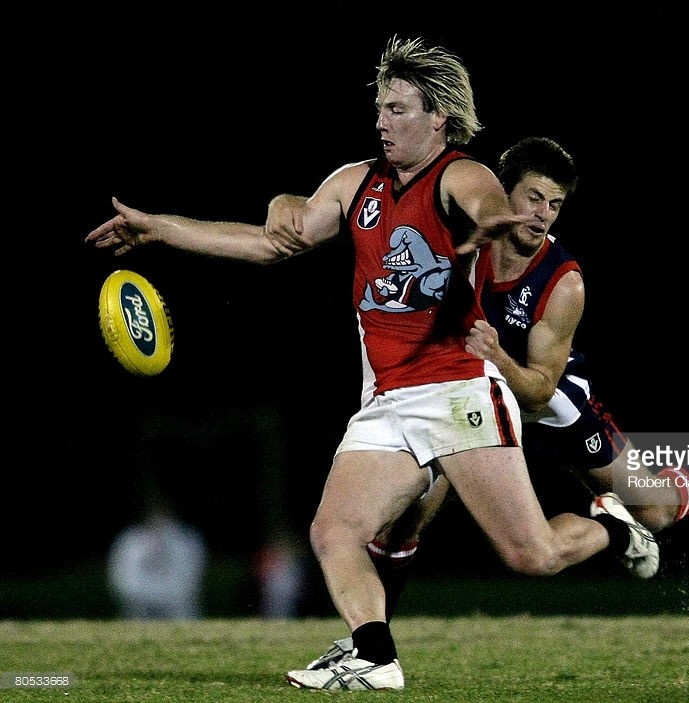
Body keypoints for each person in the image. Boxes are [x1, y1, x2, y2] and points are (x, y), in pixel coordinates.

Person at [86, 36, 658, 692]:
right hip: (389, 399)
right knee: (334, 530)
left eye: (398, 108)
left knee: (531, 554)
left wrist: (490, 228)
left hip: (458, 390)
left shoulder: (462, 175)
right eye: (380, 108)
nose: (382, 120)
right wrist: (159, 227)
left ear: (438, 117)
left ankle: (612, 527)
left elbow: (490, 210)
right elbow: (270, 243)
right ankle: (374, 655)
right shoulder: (356, 183)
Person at [270, 137, 689, 665]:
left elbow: (543, 384)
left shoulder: (563, 280)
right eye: (532, 199)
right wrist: (281, 205)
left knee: (654, 511)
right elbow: (327, 217)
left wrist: (498, 356)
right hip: (465, 400)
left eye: (554, 205)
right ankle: (370, 647)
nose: (541, 215)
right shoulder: (459, 231)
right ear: (499, 192)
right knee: (406, 519)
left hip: (546, 402)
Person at [107, 479, 207, 620]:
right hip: (139, 603)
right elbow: (121, 577)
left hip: (176, 605)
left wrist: (169, 596)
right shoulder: (129, 539)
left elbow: (190, 577)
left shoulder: (187, 538)